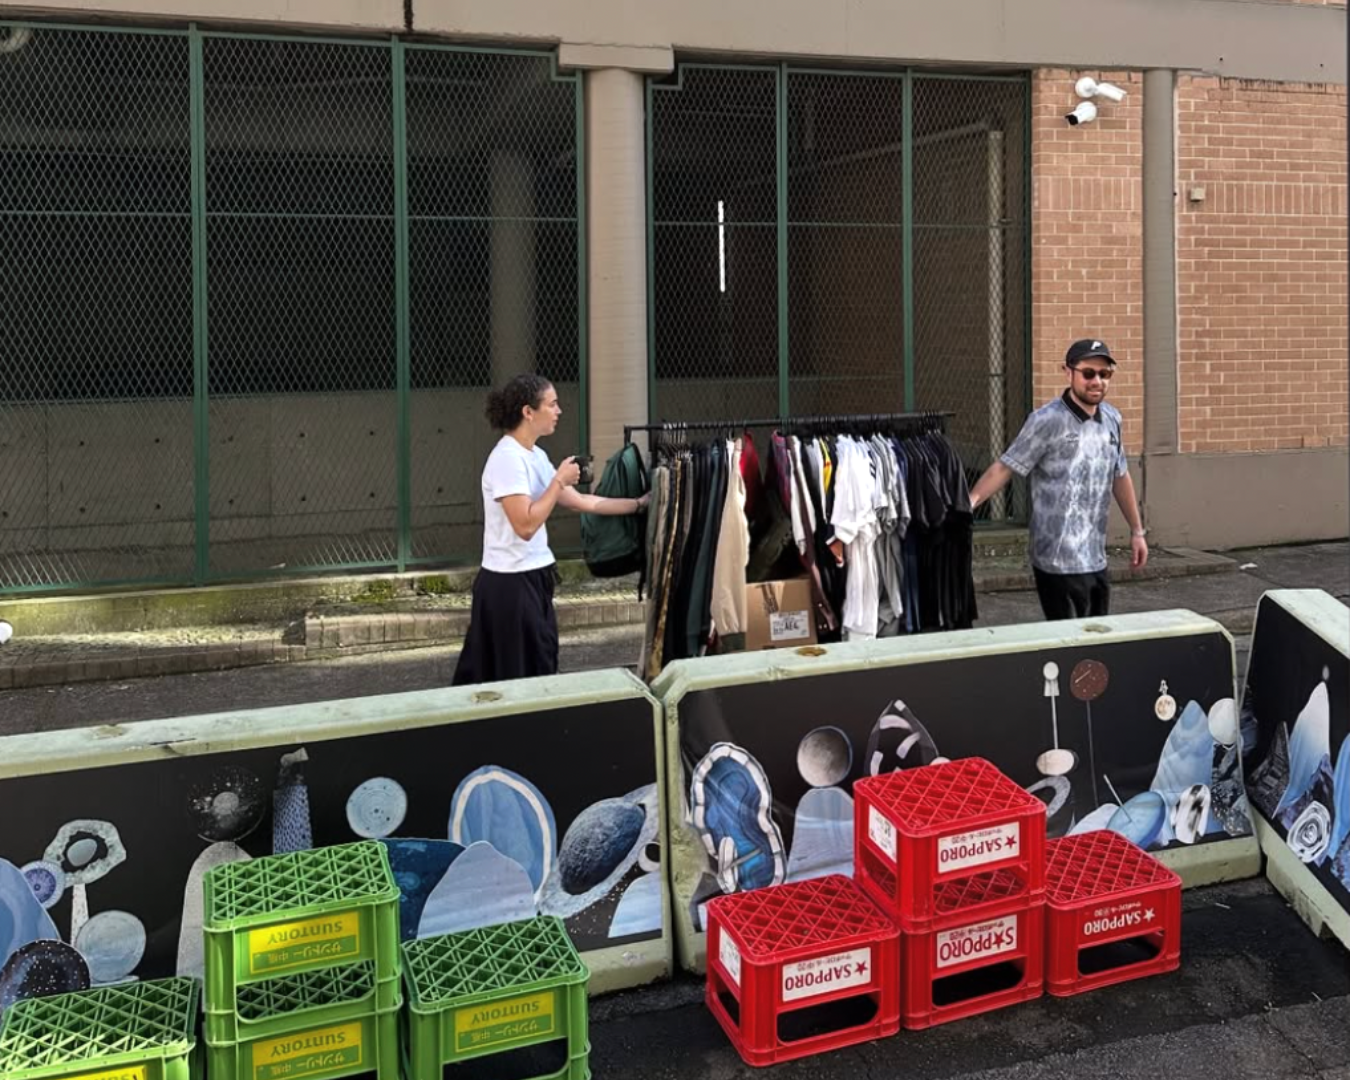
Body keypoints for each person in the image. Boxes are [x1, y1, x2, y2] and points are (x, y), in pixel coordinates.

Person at [453, 373, 648, 686]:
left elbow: (581, 501)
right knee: (518, 676)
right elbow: (526, 525)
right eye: (552, 404)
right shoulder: (507, 459)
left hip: (533, 578)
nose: (559, 411)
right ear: (528, 412)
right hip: (509, 585)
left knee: (541, 664)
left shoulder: (535, 455)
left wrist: (640, 503)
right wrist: (558, 481)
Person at [968, 338, 1148, 620]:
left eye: (1105, 374)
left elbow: (1120, 475)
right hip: (1055, 558)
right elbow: (1006, 466)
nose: (1097, 381)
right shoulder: (1046, 420)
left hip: (1095, 556)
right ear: (1068, 372)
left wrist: (1137, 532)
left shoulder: (1112, 419)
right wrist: (970, 502)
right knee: (1068, 644)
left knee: (1097, 644)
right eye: (1089, 373)